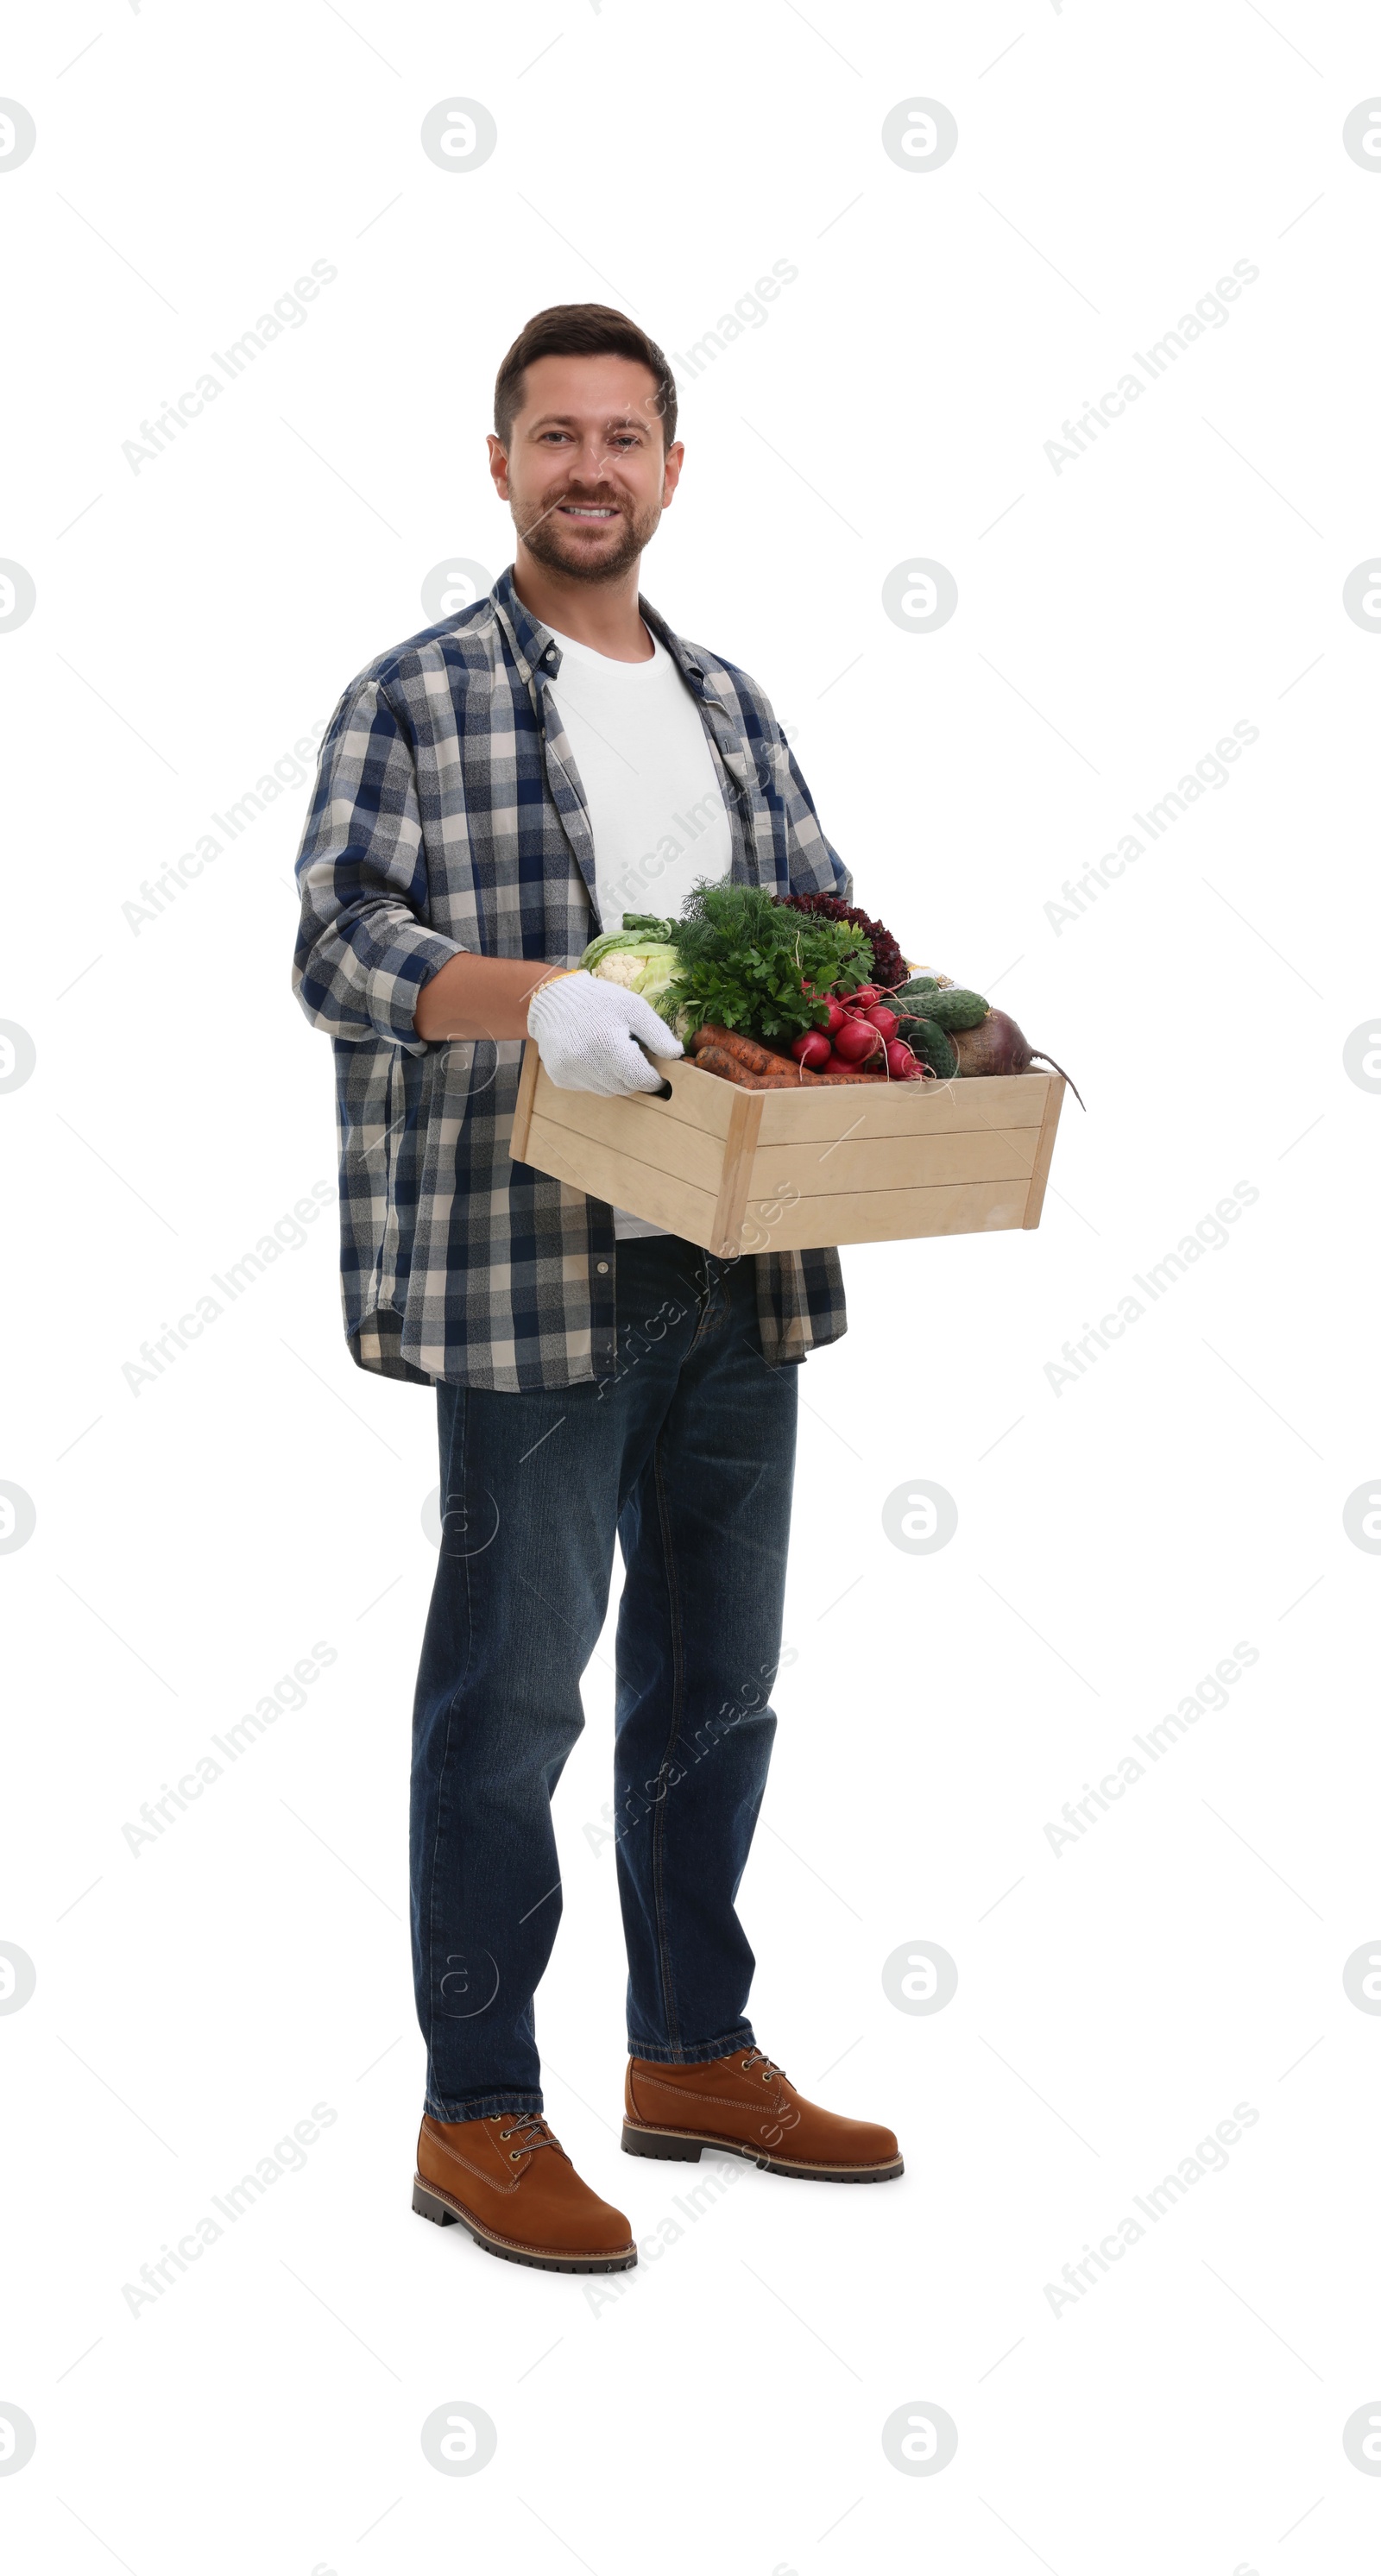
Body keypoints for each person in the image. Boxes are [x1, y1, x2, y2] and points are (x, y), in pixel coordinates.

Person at [293, 303, 902, 2276]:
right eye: (552, 434)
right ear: (499, 466)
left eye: (622, 436)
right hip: (527, 1283)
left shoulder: (728, 706)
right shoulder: (416, 695)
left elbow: (821, 920)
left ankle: (693, 2050)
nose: (588, 467)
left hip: (732, 1267)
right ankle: (476, 2111)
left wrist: (876, 1026)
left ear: (667, 468)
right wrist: (526, 999)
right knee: (509, 1704)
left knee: (717, 1688)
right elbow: (339, 944)